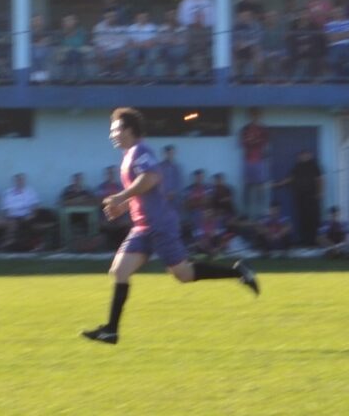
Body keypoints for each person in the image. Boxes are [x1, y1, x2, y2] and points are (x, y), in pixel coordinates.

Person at [82, 108, 258, 344]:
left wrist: (120, 197)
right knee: (119, 271)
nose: (112, 135)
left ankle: (238, 272)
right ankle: (111, 330)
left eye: (115, 130)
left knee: (183, 275)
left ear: (129, 130)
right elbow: (144, 192)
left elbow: (152, 178)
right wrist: (122, 206)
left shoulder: (140, 150)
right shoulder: (128, 156)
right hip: (142, 227)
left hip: (159, 225)